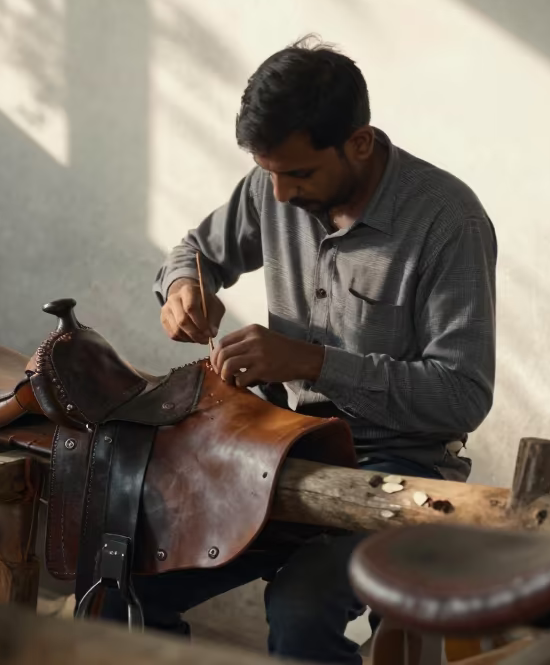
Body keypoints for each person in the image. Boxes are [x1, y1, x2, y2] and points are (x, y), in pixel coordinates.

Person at [104, 36, 498, 663]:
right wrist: (184, 287)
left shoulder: (448, 222)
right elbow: (195, 251)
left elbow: (461, 396)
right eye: (270, 173)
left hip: (399, 469)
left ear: (360, 142)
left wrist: (312, 362)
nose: (281, 195)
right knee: (125, 577)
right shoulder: (273, 185)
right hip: (279, 452)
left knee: (301, 609)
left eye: (300, 174)